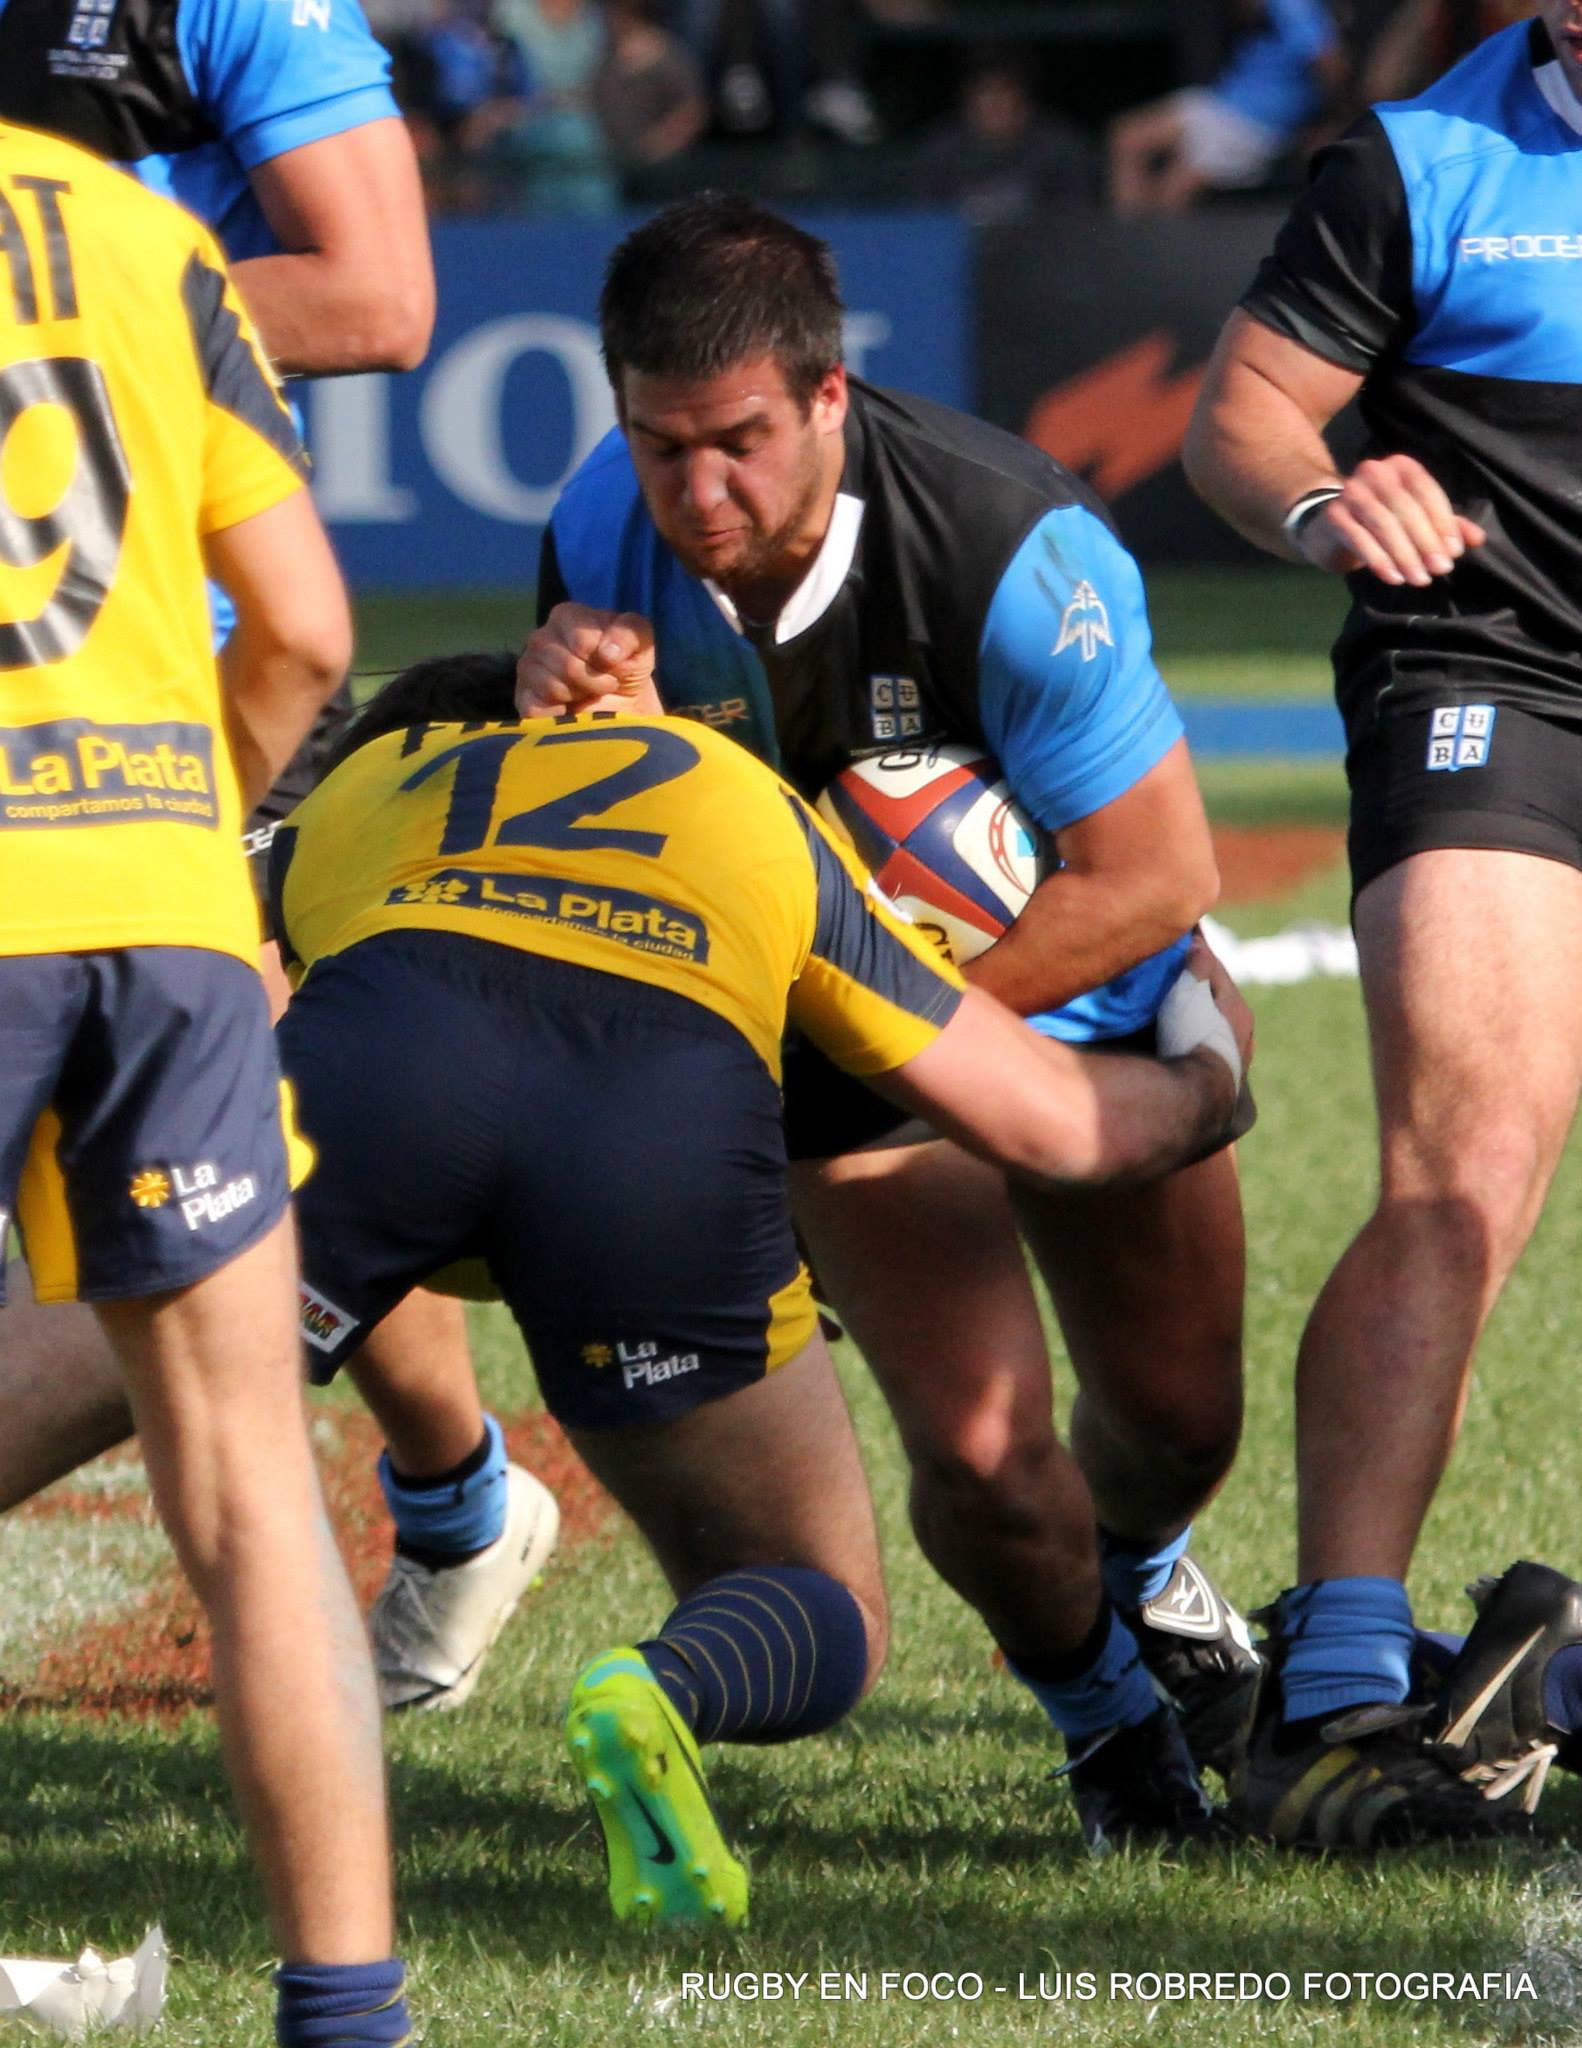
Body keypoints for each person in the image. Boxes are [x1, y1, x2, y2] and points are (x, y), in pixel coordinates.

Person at [266, 650, 1251, 1920]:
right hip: (652, 1149)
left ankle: (423, 1529)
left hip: (375, 1097)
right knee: (813, 1597)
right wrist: (1204, 1077)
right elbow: (1050, 1124)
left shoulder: (353, 800)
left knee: (137, 1366)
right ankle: (664, 1687)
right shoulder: (747, 801)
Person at [516, 193, 1261, 1850]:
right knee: (986, 1456)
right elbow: (631, 855)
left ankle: (1143, 1572)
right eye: (659, 446)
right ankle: (1108, 1725)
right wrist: (571, 726)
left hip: (1065, 987)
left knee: (1175, 1422)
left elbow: (1156, 875)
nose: (698, 494)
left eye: (739, 444)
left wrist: (909, 1026)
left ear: (828, 397)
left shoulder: (1013, 548)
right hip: (836, 1065)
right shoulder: (596, 529)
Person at [0, 0, 559, 1714]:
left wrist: (70, 317)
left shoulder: (219, 3)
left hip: (165, 662)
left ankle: (450, 1501)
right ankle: (460, 1495)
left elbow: (379, 295)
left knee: (225, 1147)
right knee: (246, 1125)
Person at [0, 121, 409, 2044]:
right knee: (250, 1491)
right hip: (163, 907)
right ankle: (346, 2010)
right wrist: (181, 832)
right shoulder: (140, 229)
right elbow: (307, 627)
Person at [1181, 0, 1582, 1846]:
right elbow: (1242, 414)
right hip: (1490, 671)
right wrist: (1326, 493)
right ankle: (1339, 1668)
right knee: (1465, 1156)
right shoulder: (1419, 165)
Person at [1108, 0, 1340, 213]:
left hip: (1255, 125)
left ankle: (1148, 242)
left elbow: (1330, 63)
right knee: (1128, 137)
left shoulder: (1293, 5)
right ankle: (1129, 237)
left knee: (1172, 194)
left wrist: (1328, 121)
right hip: (1222, 101)